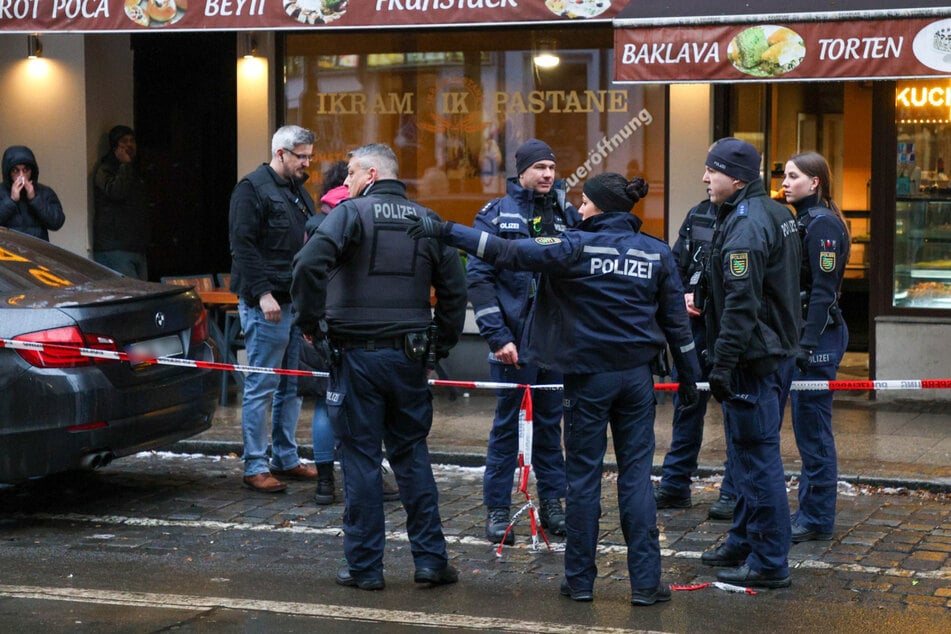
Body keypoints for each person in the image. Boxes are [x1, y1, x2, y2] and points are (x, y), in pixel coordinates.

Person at [407, 172, 701, 607]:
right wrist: (690, 378)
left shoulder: (573, 247)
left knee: (582, 479)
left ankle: (580, 581)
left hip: (585, 380)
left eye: (584, 203)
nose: (578, 209)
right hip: (638, 380)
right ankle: (645, 584)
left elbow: (505, 252)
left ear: (599, 207)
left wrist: (445, 229)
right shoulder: (656, 252)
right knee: (637, 478)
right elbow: (678, 323)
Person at [291, 143, 467, 591]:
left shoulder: (349, 214)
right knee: (411, 456)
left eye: (350, 173)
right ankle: (430, 561)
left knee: (362, 460)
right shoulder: (427, 221)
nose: (344, 181)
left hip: (356, 357)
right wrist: (438, 346)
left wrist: (311, 324)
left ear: (370, 174)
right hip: (408, 358)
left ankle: (365, 568)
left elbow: (308, 263)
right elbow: (454, 289)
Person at [698, 138, 801, 589]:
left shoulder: (747, 224)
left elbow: (742, 304)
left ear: (736, 179)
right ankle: (742, 538)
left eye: (712, 171)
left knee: (758, 461)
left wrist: (722, 363)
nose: (705, 178)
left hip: (753, 359)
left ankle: (768, 563)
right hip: (770, 353)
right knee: (745, 457)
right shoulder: (777, 213)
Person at [466, 138, 580, 544]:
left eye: (552, 167)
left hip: (555, 346)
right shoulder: (495, 215)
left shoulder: (568, 215)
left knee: (551, 428)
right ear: (521, 172)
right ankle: (497, 509)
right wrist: (498, 337)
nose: (548, 174)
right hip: (511, 345)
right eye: (540, 168)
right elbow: (478, 279)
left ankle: (553, 504)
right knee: (505, 429)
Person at [228, 125, 319, 493]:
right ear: (280, 153)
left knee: (292, 385)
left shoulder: (297, 191)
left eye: (310, 156)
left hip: (295, 301)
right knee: (262, 384)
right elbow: (242, 245)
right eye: (301, 156)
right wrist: (263, 293)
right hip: (267, 304)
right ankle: (255, 464)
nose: (307, 163)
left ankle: (285, 456)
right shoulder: (251, 189)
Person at [782, 151, 850, 543]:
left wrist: (806, 345)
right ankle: (810, 511)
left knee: (814, 430)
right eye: (785, 176)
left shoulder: (822, 223)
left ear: (815, 182)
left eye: (793, 176)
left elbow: (822, 292)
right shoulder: (804, 220)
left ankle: (816, 517)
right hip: (806, 332)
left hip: (819, 334)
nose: (785, 183)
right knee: (808, 428)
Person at [654, 198, 736, 520]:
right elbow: (675, 265)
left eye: (713, 172)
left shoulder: (750, 217)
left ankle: (733, 490)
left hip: (731, 330)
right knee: (686, 404)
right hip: (695, 329)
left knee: (735, 410)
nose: (705, 178)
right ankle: (675, 484)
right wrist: (682, 297)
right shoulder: (698, 212)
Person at [92, 126, 152, 279]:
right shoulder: (105, 170)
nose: (129, 145)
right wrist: (125, 165)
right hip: (115, 247)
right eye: (124, 141)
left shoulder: (136, 170)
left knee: (143, 295)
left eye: (132, 141)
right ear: (115, 147)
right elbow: (117, 192)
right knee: (130, 297)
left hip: (136, 246)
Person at [0, 145, 65, 241]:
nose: (21, 175)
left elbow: (57, 222)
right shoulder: (1, 192)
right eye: (15, 170)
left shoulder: (44, 192)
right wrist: (11, 200)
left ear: (32, 171)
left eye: (25, 170)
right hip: (7, 253)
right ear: (8, 172)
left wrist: (35, 199)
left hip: (37, 252)